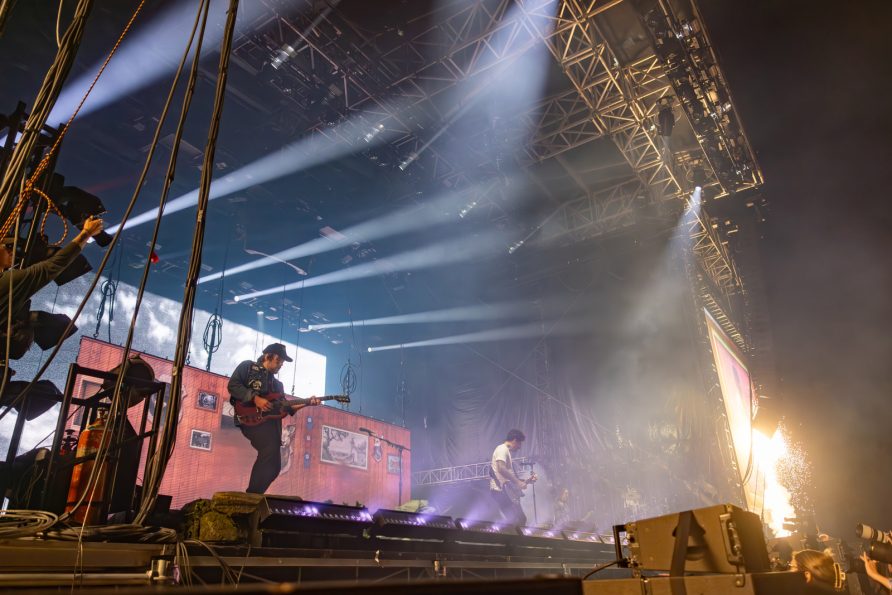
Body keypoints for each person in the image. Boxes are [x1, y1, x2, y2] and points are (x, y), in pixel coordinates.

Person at [227, 343, 318, 494]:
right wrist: (256, 399)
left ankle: (254, 495)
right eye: (278, 360)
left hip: (270, 426)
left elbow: (287, 407)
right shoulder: (248, 367)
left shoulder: (278, 385)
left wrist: (308, 402)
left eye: (282, 362)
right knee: (269, 449)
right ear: (268, 356)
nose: (281, 364)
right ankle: (251, 495)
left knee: (275, 467)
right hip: (250, 418)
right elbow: (233, 385)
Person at [0, 216, 104, 325]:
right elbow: (55, 264)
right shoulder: (7, 282)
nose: (11, 251)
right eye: (6, 247)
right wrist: (86, 233)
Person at [489, 429, 529, 526]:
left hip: (505, 491)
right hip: (500, 491)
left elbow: (509, 478)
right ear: (514, 440)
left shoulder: (506, 452)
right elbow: (501, 468)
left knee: (520, 519)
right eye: (519, 443)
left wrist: (527, 481)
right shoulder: (502, 449)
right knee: (516, 520)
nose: (519, 447)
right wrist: (518, 482)